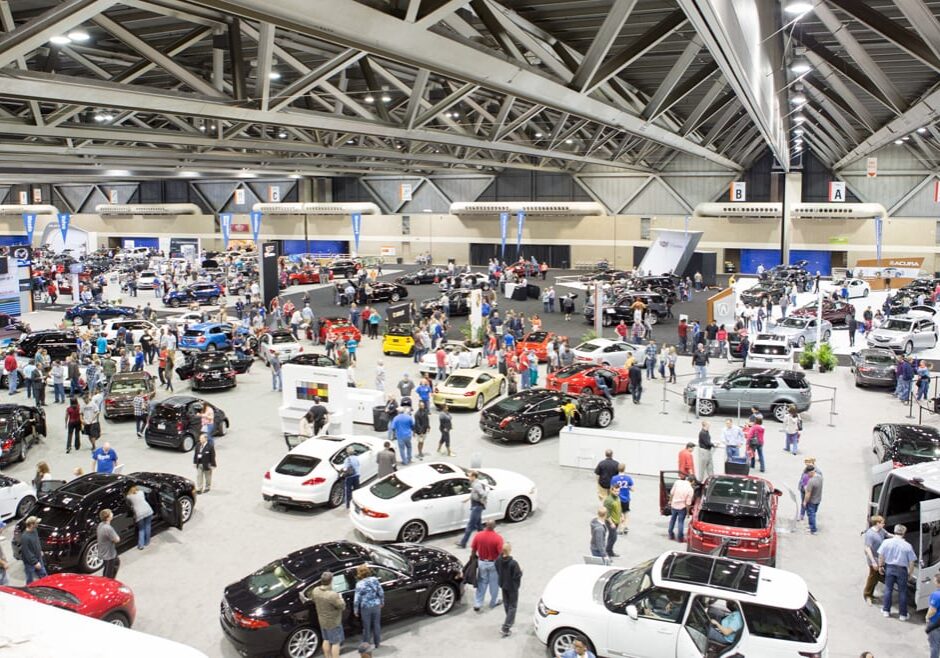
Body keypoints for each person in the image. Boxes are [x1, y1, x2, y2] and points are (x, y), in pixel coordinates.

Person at [879, 524, 917, 620]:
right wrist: (910, 573)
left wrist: (880, 566)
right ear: (904, 533)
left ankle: (886, 610)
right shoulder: (907, 546)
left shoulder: (886, 542)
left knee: (888, 589)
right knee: (902, 592)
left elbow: (881, 556)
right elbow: (911, 562)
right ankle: (903, 614)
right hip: (902, 570)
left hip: (889, 567)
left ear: (894, 531)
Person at [470, 520, 503, 611]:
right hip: (493, 564)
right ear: (494, 526)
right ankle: (493, 602)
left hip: (482, 562)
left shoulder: (478, 535)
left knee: (481, 582)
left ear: (485, 525)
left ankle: (478, 603)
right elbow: (501, 553)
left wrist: (472, 559)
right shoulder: (498, 538)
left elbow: (473, 549)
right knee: (494, 584)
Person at [312, 571, 345, 658]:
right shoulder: (332, 595)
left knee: (326, 640)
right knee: (336, 643)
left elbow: (314, 600)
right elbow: (342, 606)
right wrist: (341, 599)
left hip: (322, 620)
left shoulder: (315, 590)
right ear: (331, 581)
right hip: (333, 623)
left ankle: (327, 656)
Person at [495, 543, 522, 637]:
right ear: (510, 550)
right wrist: (521, 572)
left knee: (506, 603)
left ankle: (509, 619)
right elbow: (517, 575)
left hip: (503, 585)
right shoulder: (513, 563)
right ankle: (506, 627)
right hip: (512, 587)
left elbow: (497, 568)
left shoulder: (498, 560)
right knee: (513, 606)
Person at [353, 565, 384, 648]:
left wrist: (356, 610)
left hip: (365, 607)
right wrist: (382, 601)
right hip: (376, 605)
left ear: (359, 573)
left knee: (366, 627)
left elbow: (357, 599)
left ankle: (366, 645)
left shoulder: (359, 584)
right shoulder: (375, 580)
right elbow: (381, 592)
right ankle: (377, 643)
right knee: (376, 625)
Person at [457, 470, 487, 548]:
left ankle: (463, 543)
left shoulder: (477, 485)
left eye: (469, 476)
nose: (468, 477)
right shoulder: (475, 484)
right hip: (477, 506)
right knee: (479, 526)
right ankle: (484, 541)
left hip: (477, 507)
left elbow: (483, 494)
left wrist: (480, 501)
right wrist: (468, 499)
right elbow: (474, 494)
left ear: (474, 477)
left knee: (470, 525)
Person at [864, 515, 889, 606]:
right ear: (877, 523)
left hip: (880, 558)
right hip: (874, 559)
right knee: (872, 577)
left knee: (876, 577)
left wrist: (897, 537)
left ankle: (871, 594)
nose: (884, 524)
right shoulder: (870, 534)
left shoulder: (881, 530)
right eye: (882, 523)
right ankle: (867, 595)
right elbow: (867, 548)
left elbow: (887, 534)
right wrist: (873, 562)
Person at [668, 473, 695, 542]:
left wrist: (670, 501)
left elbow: (671, 493)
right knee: (680, 522)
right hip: (682, 508)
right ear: (693, 481)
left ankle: (670, 535)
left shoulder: (677, 482)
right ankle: (680, 538)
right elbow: (688, 503)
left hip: (674, 505)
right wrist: (688, 513)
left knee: (672, 520)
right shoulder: (690, 489)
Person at [20, 516, 46, 583]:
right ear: (31, 524)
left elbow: (37, 541)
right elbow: (26, 552)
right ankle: (29, 588)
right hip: (29, 563)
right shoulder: (25, 537)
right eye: (36, 523)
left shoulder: (34, 531)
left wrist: (40, 550)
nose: (37, 524)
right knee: (30, 580)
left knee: (44, 575)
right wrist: (35, 562)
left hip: (38, 557)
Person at [126, 485, 154, 550]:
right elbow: (147, 492)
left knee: (141, 529)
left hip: (139, 513)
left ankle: (141, 545)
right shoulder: (141, 491)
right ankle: (147, 542)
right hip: (148, 510)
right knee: (148, 526)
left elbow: (129, 505)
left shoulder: (128, 496)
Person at [610, 463, 634, 534]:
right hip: (626, 499)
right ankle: (625, 527)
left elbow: (611, 489)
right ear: (624, 469)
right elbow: (633, 489)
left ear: (618, 469)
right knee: (626, 512)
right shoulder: (628, 478)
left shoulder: (614, 478)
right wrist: (628, 487)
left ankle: (620, 528)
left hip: (617, 499)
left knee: (619, 513)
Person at [97, 508, 121, 579]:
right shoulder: (108, 528)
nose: (112, 514)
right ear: (108, 518)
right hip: (109, 554)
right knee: (109, 572)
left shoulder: (100, 525)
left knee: (115, 563)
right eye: (111, 513)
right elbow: (117, 539)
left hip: (104, 551)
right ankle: (108, 582)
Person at [803, 465, 823, 535]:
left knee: (811, 515)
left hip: (811, 501)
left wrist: (805, 502)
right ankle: (811, 526)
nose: (807, 475)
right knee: (813, 513)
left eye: (808, 474)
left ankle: (813, 530)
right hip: (818, 499)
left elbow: (808, 494)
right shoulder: (820, 477)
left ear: (811, 472)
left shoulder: (811, 481)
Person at [602, 485, 621, 558]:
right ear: (611, 490)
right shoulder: (609, 500)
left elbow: (619, 507)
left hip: (616, 520)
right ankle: (608, 552)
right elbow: (607, 513)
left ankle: (609, 551)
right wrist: (611, 523)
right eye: (615, 491)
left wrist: (621, 515)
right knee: (613, 537)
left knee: (612, 537)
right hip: (611, 522)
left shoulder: (617, 497)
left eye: (618, 491)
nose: (617, 493)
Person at [926, 573, 940, 657]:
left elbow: (932, 610)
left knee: (934, 644)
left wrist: (927, 617)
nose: (933, 582)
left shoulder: (936, 595)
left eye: (935, 581)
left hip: (935, 622)